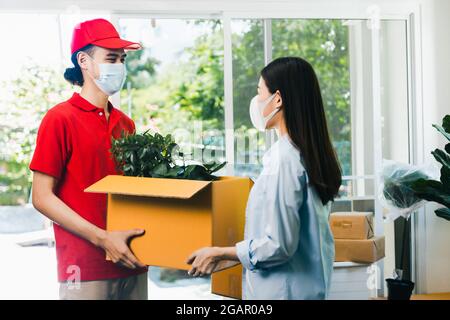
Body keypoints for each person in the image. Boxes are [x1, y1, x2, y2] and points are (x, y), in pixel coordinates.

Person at [186, 57, 342, 300]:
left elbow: (278, 245)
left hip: (283, 293)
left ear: (277, 99)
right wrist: (235, 258)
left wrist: (219, 252)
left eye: (260, 93)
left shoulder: (285, 159)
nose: (257, 102)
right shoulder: (310, 155)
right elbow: (298, 239)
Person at [29, 18, 148, 300]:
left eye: (122, 59)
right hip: (84, 268)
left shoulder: (125, 123)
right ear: (83, 60)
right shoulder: (60, 119)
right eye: (111, 58)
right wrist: (102, 238)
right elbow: (42, 197)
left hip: (133, 260)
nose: (119, 66)